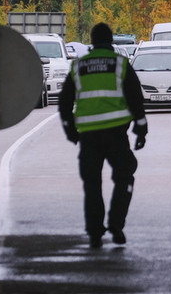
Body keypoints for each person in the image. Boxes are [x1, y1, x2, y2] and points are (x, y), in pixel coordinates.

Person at [59, 22, 148, 249]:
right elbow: (136, 98)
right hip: (117, 135)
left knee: (92, 184)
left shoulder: (78, 66)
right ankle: (116, 225)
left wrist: (70, 130)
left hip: (88, 137)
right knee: (124, 178)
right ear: (111, 41)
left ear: (92, 41)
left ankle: (95, 233)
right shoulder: (121, 64)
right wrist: (140, 129)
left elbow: (64, 102)